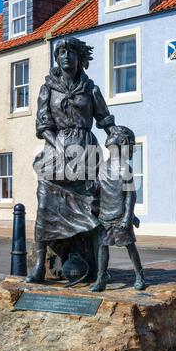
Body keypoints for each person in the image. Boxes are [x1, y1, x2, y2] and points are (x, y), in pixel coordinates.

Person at [26, 37, 117, 283]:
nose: (66, 56)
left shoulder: (90, 89)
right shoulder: (48, 88)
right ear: (57, 58)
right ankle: (38, 266)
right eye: (61, 52)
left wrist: (118, 140)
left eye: (71, 52)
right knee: (44, 205)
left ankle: (98, 268)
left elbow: (105, 120)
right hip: (56, 155)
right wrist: (60, 147)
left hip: (85, 154)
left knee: (92, 208)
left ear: (79, 58)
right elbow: (42, 124)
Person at [89, 126, 146, 292]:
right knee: (102, 247)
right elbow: (97, 191)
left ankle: (139, 275)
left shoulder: (125, 168)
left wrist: (128, 218)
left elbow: (131, 196)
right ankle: (101, 278)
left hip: (120, 216)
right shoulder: (101, 168)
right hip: (105, 216)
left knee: (130, 246)